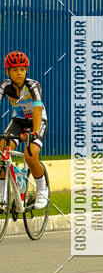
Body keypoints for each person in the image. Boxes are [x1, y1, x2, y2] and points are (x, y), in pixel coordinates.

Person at [0, 51, 49, 209]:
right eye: (15, 70)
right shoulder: (5, 86)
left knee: (30, 154)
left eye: (22, 69)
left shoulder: (33, 85)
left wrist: (34, 132)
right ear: (8, 72)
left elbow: (36, 108)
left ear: (26, 70)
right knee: (2, 152)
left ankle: (42, 189)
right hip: (18, 121)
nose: (19, 73)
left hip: (37, 120)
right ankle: (2, 196)